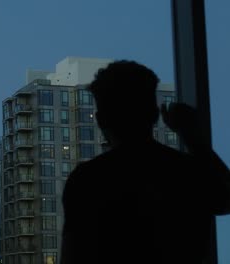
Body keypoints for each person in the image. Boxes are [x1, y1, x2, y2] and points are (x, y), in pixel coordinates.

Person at [61, 60, 230, 264]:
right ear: (155, 114)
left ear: (100, 119)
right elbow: (225, 199)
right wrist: (192, 137)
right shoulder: (186, 172)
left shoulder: (88, 180)